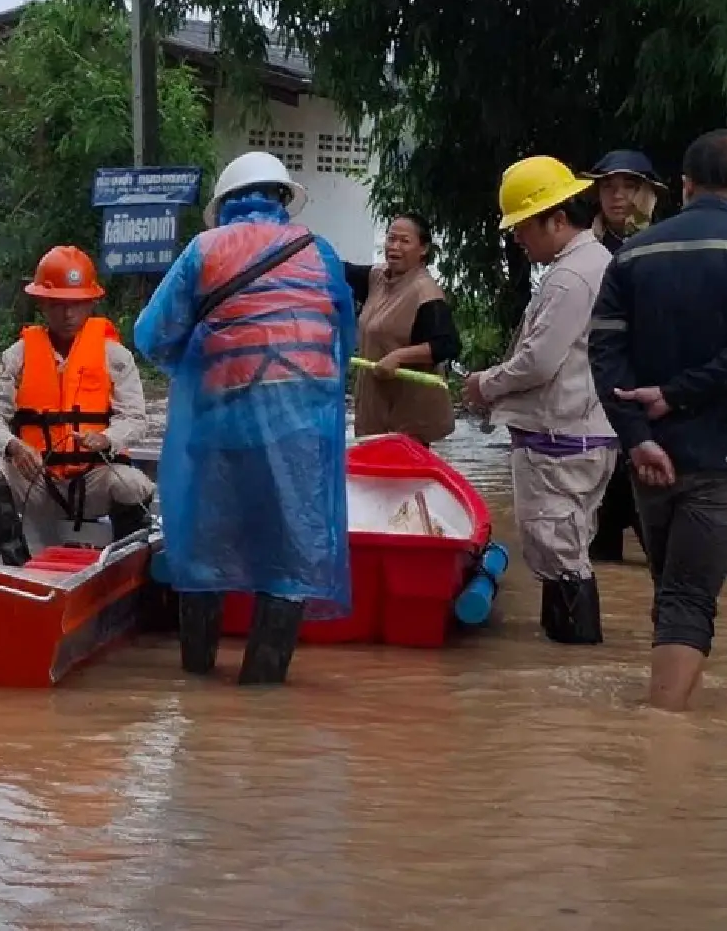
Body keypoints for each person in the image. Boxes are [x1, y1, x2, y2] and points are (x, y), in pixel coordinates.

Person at [134, 151, 356, 685]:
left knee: (206, 549)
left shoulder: (204, 249)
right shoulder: (320, 252)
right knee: (290, 557)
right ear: (282, 200)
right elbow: (343, 342)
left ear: (227, 202)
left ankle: (197, 685)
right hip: (301, 434)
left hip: (223, 427)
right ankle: (262, 693)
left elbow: (151, 335)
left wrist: (198, 363)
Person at [589, 129, 727, 712]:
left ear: (682, 185)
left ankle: (664, 715)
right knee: (687, 595)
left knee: (672, 589)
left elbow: (604, 354)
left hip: (652, 455)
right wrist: (674, 396)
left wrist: (638, 435)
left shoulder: (632, 254)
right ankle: (664, 737)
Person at [462, 157, 618, 644]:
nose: (517, 239)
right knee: (563, 553)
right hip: (577, 432)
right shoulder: (588, 266)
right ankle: (563, 677)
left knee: (563, 558)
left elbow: (537, 362)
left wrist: (485, 385)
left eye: (522, 228)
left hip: (563, 436)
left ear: (555, 218)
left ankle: (574, 662)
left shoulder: (572, 278)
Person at [0, 246, 155, 567]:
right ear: (42, 304)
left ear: (92, 303)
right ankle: (18, 563)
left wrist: (107, 439)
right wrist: (13, 446)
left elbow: (136, 420)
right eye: (58, 305)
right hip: (38, 482)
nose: (68, 315)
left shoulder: (116, 357)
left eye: (77, 305)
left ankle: (124, 568)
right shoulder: (19, 355)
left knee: (136, 485)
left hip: (94, 481)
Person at [581, 149, 670, 564]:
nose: (617, 197)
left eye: (628, 187)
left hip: (651, 397)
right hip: (593, 398)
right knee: (597, 545)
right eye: (608, 187)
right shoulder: (582, 250)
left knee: (663, 540)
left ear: (649, 193)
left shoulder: (670, 246)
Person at [344, 212, 460, 444]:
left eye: (404, 241)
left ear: (423, 249)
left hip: (408, 420)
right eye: (390, 239)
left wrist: (399, 356)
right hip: (376, 412)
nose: (394, 246)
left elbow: (447, 345)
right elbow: (340, 271)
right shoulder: (377, 278)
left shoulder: (425, 292)